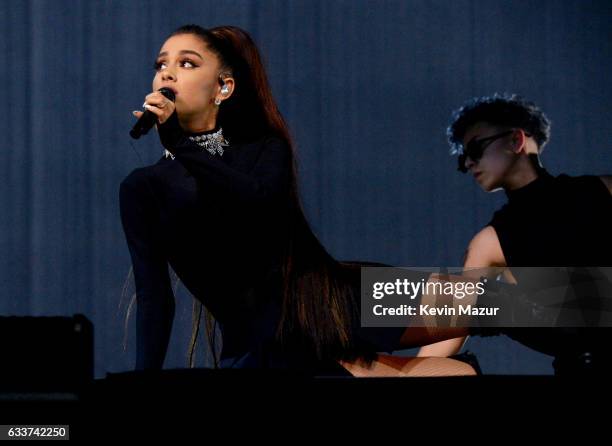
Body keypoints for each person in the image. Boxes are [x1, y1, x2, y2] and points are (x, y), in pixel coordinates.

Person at [120, 25, 473, 376]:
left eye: (187, 63)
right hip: (271, 346)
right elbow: (154, 296)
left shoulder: (264, 148)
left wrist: (180, 143)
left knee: (513, 303)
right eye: (161, 64)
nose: (166, 72)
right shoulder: (144, 187)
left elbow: (256, 200)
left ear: (223, 87)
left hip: (337, 300)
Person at [419, 93, 612, 374]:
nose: (468, 164)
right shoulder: (489, 243)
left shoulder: (602, 190)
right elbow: (451, 324)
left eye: (475, 149)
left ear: (516, 140)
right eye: (463, 159)